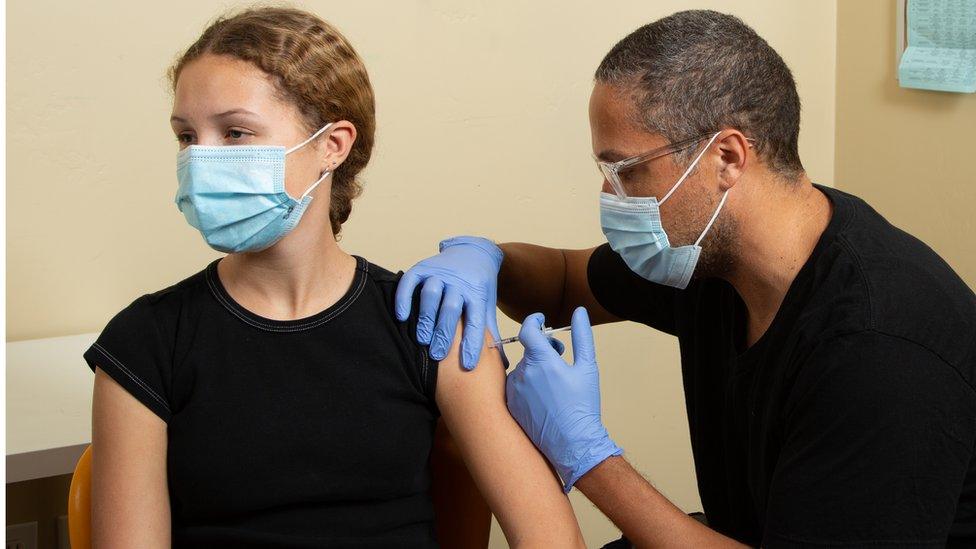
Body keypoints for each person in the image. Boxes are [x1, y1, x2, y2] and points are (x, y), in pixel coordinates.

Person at [396, 9, 976, 548]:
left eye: (626, 170)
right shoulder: (710, 256)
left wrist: (586, 454)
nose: (608, 195)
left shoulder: (880, 348)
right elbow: (566, 280)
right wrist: (486, 259)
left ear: (726, 157)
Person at [85, 7, 584, 548]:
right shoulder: (146, 343)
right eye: (187, 137)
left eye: (235, 132)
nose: (203, 159)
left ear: (332, 145)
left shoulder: (431, 323)